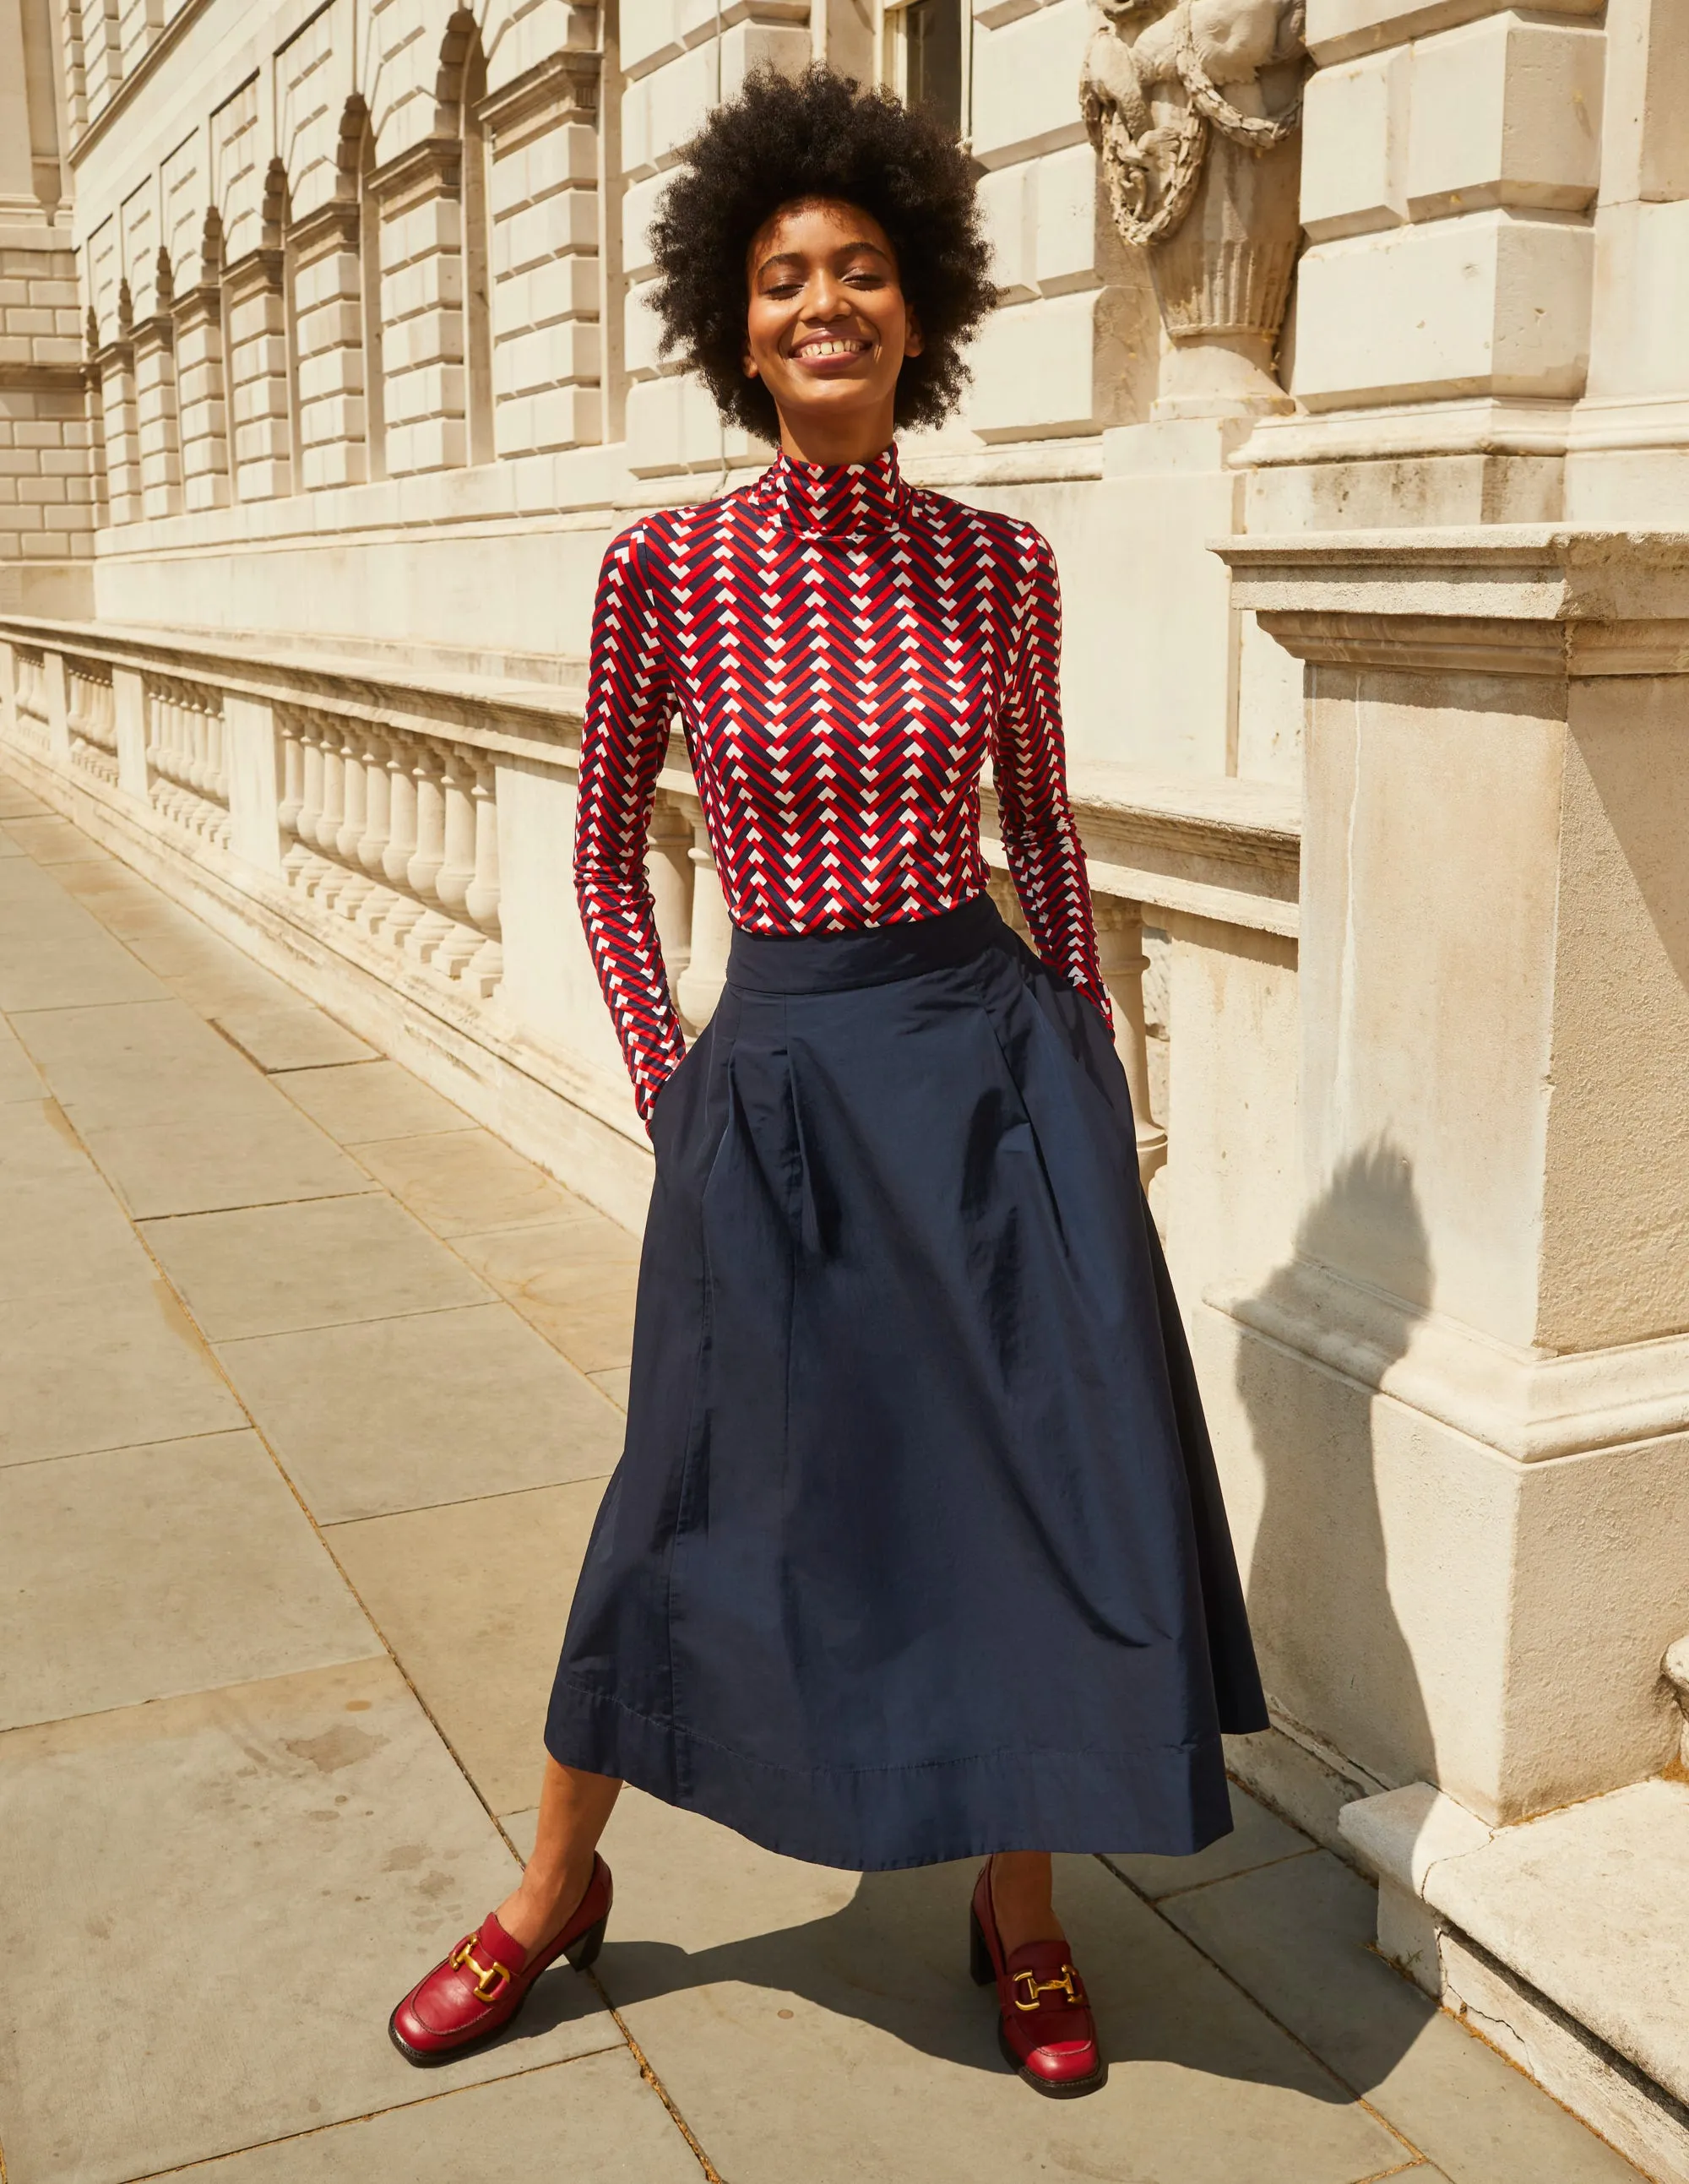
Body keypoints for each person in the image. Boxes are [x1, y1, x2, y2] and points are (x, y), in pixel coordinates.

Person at [389, 63, 1267, 2098]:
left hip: (981, 1078)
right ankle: (550, 1889)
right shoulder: (666, 572)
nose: (825, 307)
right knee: (685, 1496)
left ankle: (1020, 1905)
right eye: (786, 278)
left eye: (859, 271)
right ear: (735, 314)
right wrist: (665, 1077)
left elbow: (1041, 832)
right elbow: (605, 850)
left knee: (1022, 1490)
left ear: (918, 304)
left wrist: (1090, 1053)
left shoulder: (999, 569)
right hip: (772, 1081)